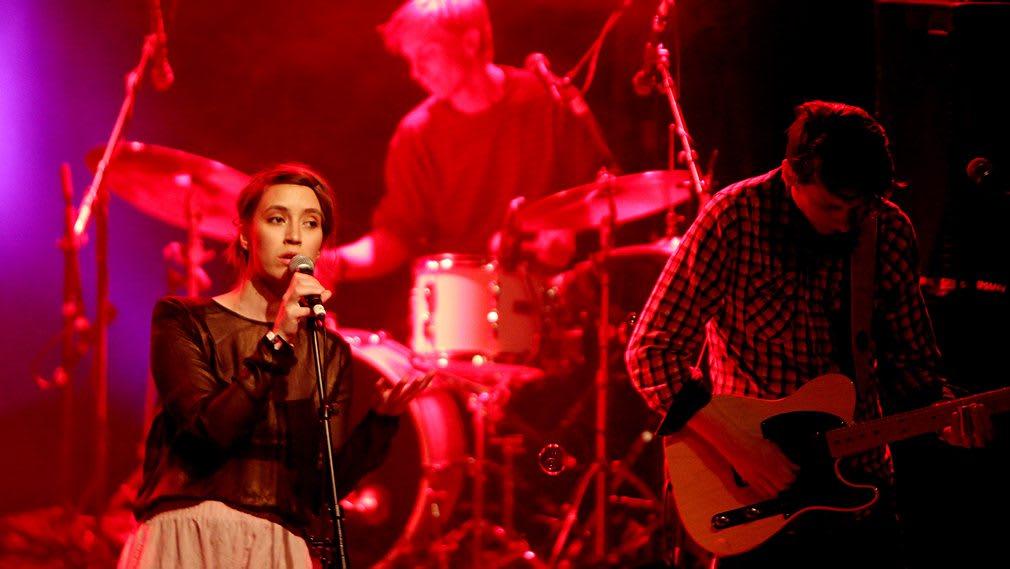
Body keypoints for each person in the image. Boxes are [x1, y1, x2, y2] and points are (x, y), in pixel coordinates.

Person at [624, 101, 993, 569]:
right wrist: (741, 447)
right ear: (791, 175)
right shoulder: (734, 218)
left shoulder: (888, 230)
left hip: (861, 492)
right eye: (832, 206)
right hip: (755, 495)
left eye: (860, 208)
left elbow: (912, 368)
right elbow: (651, 350)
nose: (846, 222)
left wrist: (946, 415)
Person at [116, 163, 433, 569]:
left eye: (311, 223)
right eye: (277, 219)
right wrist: (278, 340)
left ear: (321, 245)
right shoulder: (183, 319)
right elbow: (206, 436)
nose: (294, 236)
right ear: (245, 234)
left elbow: (319, 489)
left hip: (277, 546)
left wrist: (381, 422)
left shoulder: (328, 351)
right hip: (187, 534)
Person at [316, 0, 616, 286]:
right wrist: (336, 263)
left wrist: (568, 230)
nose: (416, 72)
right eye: (410, 60)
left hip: (551, 296)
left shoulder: (549, 102)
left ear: (470, 42)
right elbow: (398, 235)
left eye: (426, 55)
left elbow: (609, 194)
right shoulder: (416, 134)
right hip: (456, 304)